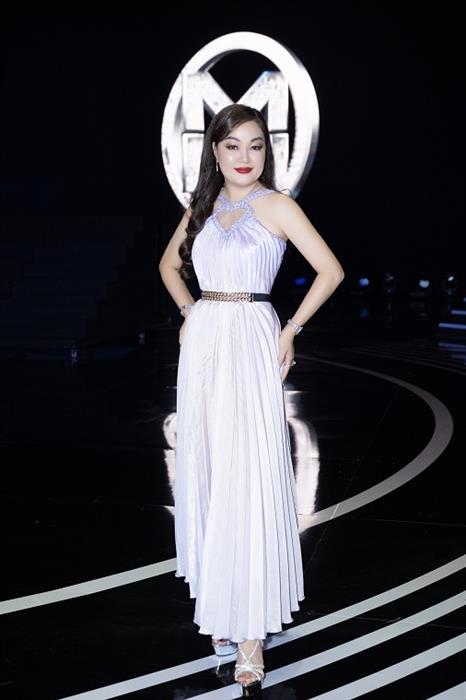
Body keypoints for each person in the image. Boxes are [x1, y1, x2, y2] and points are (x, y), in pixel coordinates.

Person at [158, 103, 344, 695]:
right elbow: (168, 266)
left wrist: (291, 329)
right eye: (232, 145)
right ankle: (221, 602)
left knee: (248, 474)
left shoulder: (278, 206)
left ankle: (251, 634)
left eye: (256, 145)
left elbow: (330, 271)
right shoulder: (201, 207)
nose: (245, 156)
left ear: (268, 151)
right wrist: (189, 311)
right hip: (206, 341)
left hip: (253, 337)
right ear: (214, 152)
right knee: (210, 470)